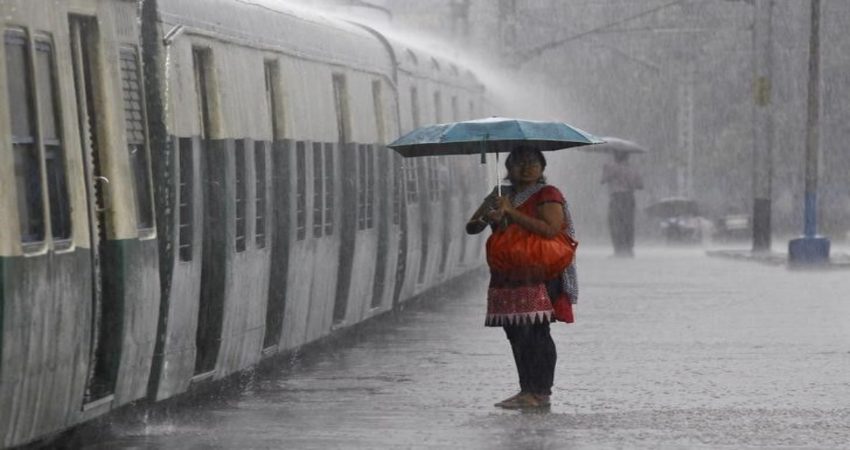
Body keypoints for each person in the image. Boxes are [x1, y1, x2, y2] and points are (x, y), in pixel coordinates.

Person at [466, 145, 578, 409]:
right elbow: (472, 227)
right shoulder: (500, 194)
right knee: (515, 331)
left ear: (542, 167)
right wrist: (489, 216)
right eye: (519, 162)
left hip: (539, 271)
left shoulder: (548, 194)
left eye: (532, 162)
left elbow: (550, 230)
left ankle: (540, 391)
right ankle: (525, 388)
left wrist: (512, 213)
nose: (526, 168)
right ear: (508, 167)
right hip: (508, 272)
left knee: (536, 330)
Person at [601, 151, 643, 257]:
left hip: (616, 197)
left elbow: (603, 180)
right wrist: (629, 181)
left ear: (615, 156)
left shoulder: (611, 168)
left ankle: (618, 249)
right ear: (627, 157)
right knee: (628, 223)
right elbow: (640, 185)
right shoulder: (633, 169)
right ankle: (628, 248)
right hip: (629, 197)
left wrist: (606, 170)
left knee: (615, 223)